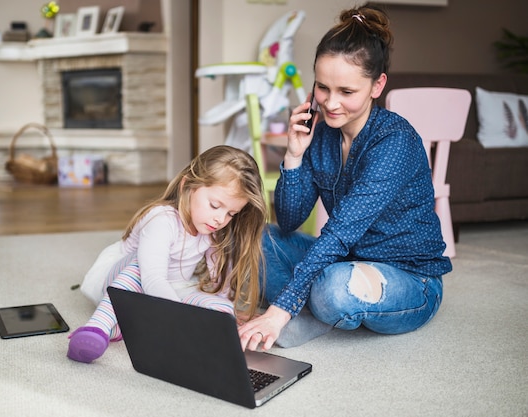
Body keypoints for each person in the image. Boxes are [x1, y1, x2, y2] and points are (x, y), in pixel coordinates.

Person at [238, 4, 452, 351]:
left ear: (377, 85)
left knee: (333, 289)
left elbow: (339, 233)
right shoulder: (320, 134)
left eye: (346, 92)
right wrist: (293, 155)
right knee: (258, 238)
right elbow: (291, 221)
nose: (331, 103)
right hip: (344, 260)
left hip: (411, 277)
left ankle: (302, 310)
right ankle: (309, 309)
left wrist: (280, 308)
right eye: (322, 88)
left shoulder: (394, 142)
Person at [68, 145, 267, 363]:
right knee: (138, 267)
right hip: (122, 284)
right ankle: (98, 327)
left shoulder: (212, 229)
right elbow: (152, 279)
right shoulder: (161, 220)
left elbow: (220, 284)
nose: (221, 219)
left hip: (167, 292)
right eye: (215, 205)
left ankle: (124, 328)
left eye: (231, 213)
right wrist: (181, 318)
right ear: (187, 186)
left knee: (222, 310)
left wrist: (229, 314)